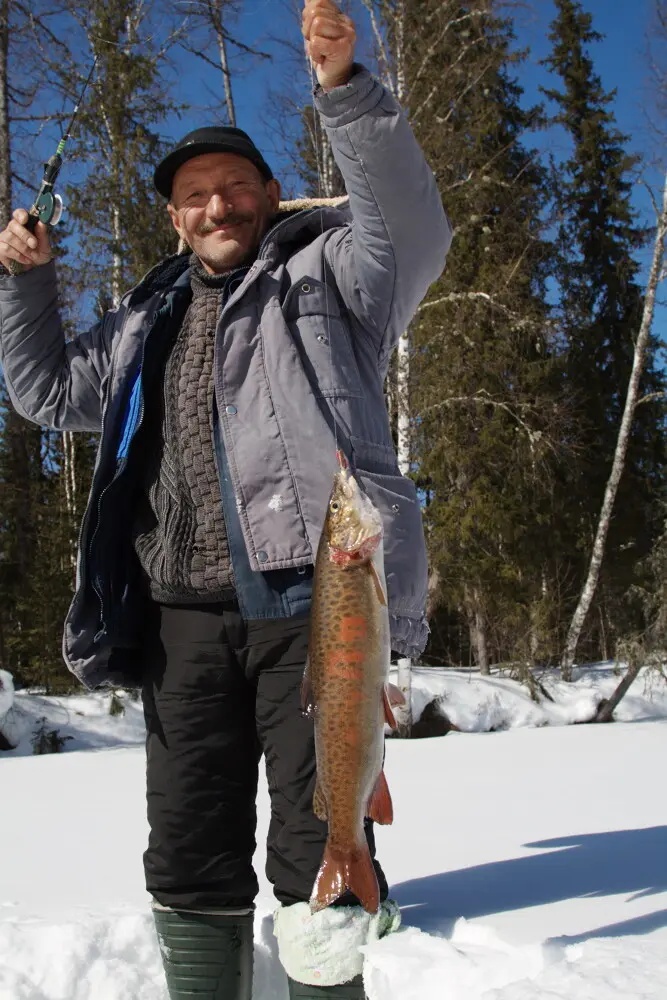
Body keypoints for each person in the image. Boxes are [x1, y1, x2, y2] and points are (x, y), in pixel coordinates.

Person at [0, 1, 452, 996]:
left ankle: (328, 968)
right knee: (189, 841)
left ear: (268, 194)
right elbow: (41, 393)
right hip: (178, 621)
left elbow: (412, 228)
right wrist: (25, 285)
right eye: (195, 195)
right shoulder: (142, 321)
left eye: (234, 189)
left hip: (316, 603)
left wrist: (345, 89)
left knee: (318, 824)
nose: (216, 208)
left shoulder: (328, 277)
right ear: (173, 215)